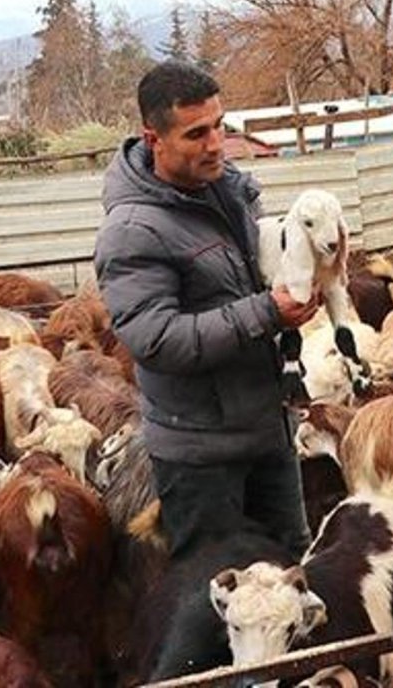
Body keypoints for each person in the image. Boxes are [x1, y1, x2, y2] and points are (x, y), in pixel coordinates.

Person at [93, 60, 319, 558]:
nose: (216, 144)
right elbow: (157, 340)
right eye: (196, 134)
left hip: (267, 433)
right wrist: (267, 313)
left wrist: (302, 274)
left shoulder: (229, 191)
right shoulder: (132, 231)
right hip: (202, 460)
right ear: (154, 139)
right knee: (218, 588)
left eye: (219, 125)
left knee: (290, 574)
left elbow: (250, 279)